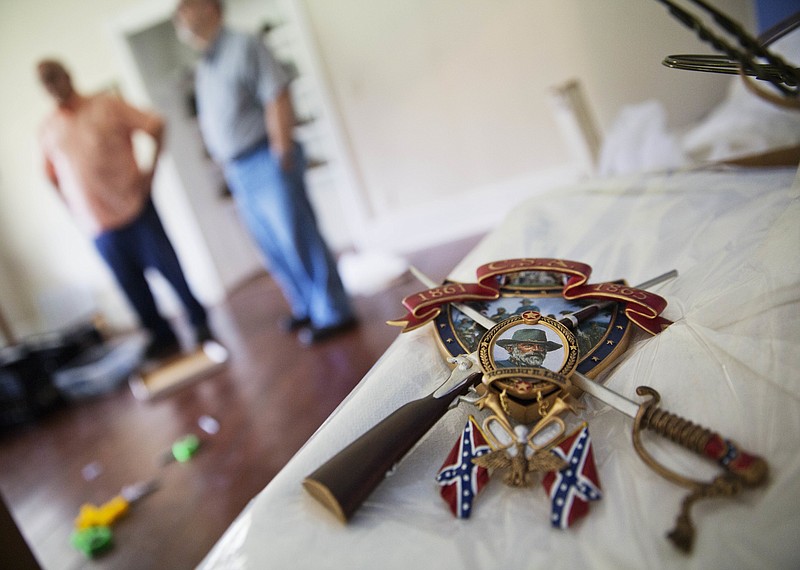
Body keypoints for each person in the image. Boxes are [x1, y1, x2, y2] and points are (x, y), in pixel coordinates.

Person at [173, 0, 356, 345]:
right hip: (238, 168)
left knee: (298, 237)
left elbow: (276, 93)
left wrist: (281, 149)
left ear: (211, 7)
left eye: (187, 6)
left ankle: (334, 312)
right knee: (273, 246)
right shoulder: (206, 63)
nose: (180, 15)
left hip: (266, 157)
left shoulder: (244, 45)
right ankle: (306, 306)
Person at [37, 59, 213, 361]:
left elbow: (156, 124)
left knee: (171, 271)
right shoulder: (47, 129)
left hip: (135, 208)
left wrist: (150, 172)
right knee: (132, 288)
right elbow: (51, 175)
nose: (52, 86)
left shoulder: (107, 105)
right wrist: (74, 209)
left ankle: (200, 323)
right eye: (45, 82)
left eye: (55, 77)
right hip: (98, 226)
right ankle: (160, 336)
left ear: (68, 75)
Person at [494, 328, 562, 368]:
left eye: (541, 346)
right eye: (528, 345)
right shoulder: (499, 367)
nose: (536, 349)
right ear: (510, 349)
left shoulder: (547, 373)